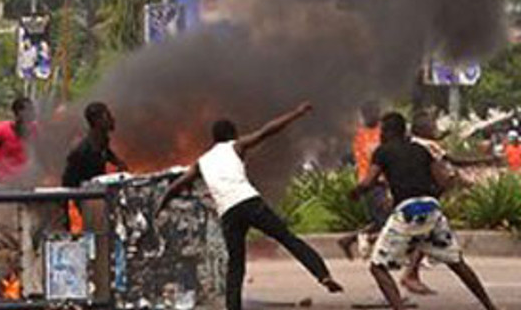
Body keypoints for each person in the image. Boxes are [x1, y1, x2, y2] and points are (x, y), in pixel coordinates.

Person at [158, 103, 343, 310]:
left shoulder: (202, 162)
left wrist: (160, 206)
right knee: (287, 238)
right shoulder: (235, 146)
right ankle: (322, 274)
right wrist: (296, 114)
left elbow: (176, 186)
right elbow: (267, 131)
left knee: (235, 266)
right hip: (249, 202)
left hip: (228, 214)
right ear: (232, 135)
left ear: (214, 138)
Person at [354, 112, 498, 310]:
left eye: (382, 131)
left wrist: (355, 192)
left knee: (378, 267)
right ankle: (490, 306)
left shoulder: (383, 151)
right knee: (457, 262)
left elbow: (368, 182)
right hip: (432, 209)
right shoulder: (422, 150)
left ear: (387, 131)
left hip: (408, 211)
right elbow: (442, 181)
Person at [340, 102, 388, 261]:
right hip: (370, 182)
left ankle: (348, 240)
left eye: (376, 112)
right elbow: (366, 159)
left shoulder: (384, 131)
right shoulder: (360, 136)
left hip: (384, 181)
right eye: (369, 113)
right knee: (384, 219)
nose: (374, 115)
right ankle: (364, 240)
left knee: (381, 219)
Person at [62, 102, 128, 188]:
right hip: (87, 195)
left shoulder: (101, 142)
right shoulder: (82, 151)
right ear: (97, 121)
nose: (112, 119)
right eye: (107, 116)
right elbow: (69, 184)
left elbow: (106, 152)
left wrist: (118, 162)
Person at [0, 97, 37, 188]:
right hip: (4, 184)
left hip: (25, 184)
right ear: (17, 115)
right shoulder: (1, 129)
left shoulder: (34, 129)